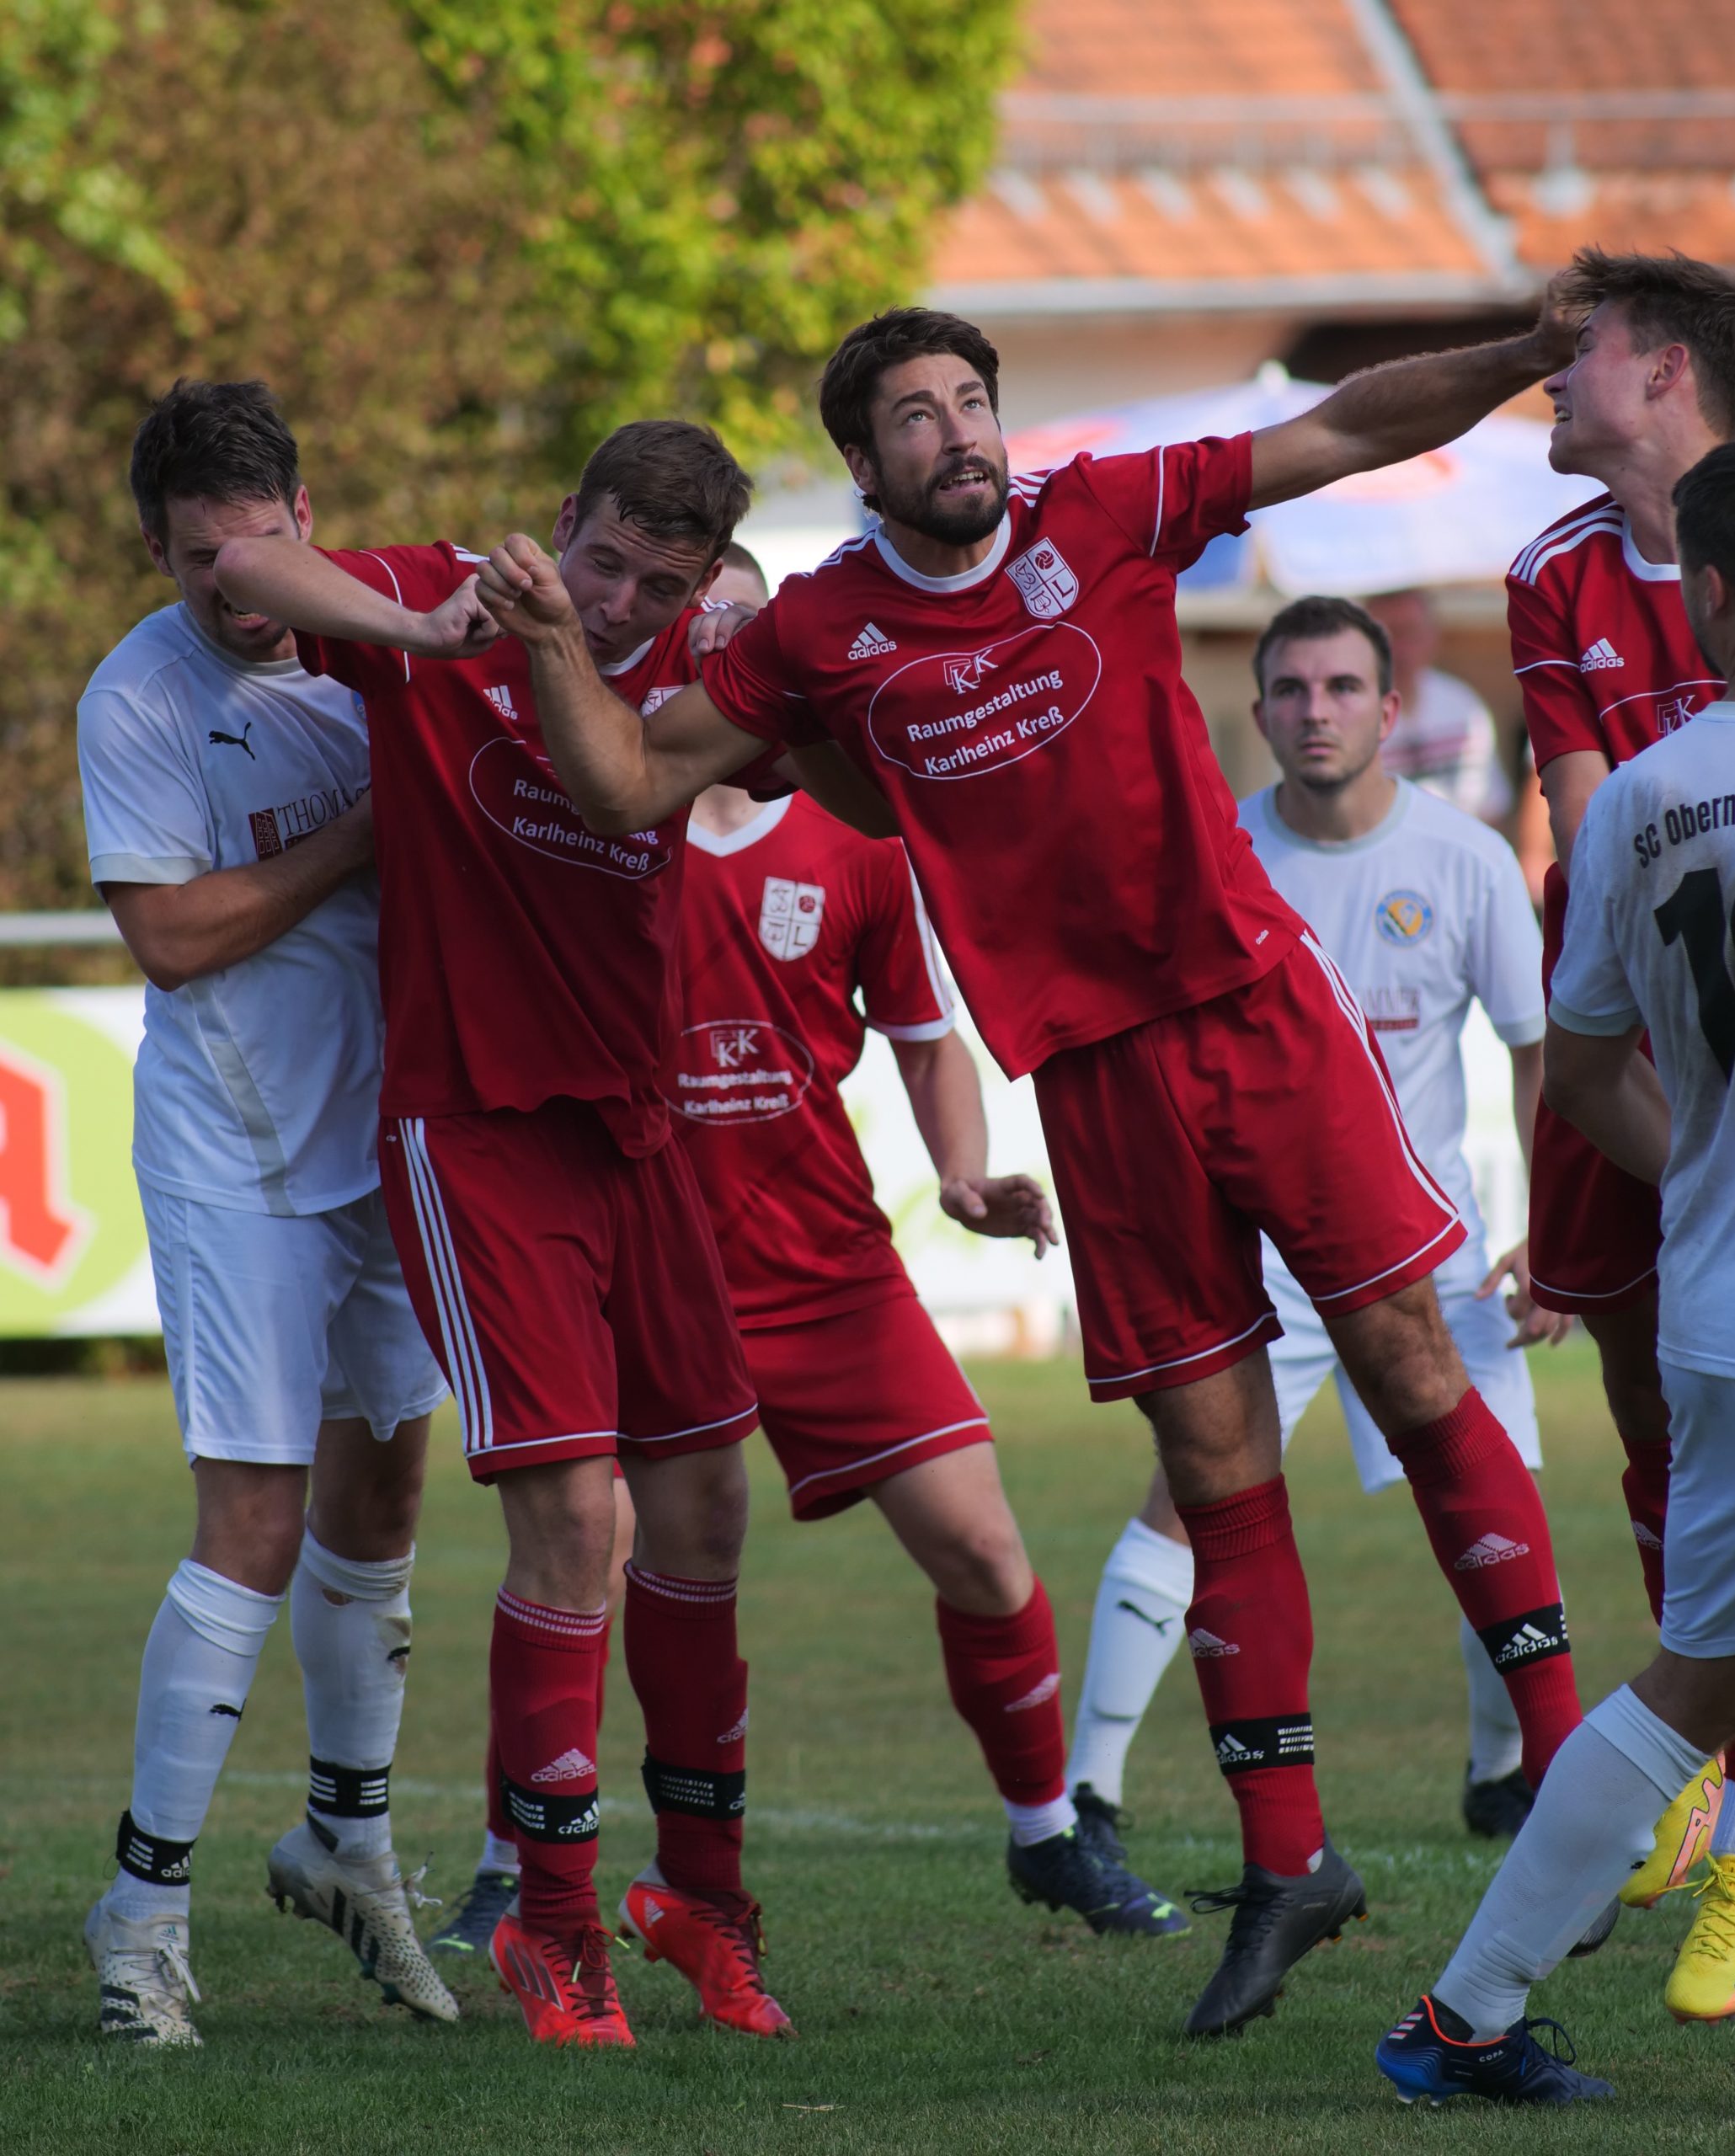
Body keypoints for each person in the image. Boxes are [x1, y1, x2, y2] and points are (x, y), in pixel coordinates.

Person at [469, 293, 1596, 2041]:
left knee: (1410, 1363)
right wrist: (554, 638)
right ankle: (1289, 1865)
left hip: (1254, 1009)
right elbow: (625, 783)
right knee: (1211, 1460)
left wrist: (1526, 347)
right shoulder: (822, 628)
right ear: (864, 466)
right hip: (1090, 1076)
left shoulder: (1110, 508)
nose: (957, 431)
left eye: (970, 399)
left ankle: (1571, 1772)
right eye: (914, 415)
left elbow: (1346, 426)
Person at [213, 424, 793, 2051]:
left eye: (657, 584)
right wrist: (424, 626)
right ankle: (550, 1923)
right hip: (476, 1130)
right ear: (561, 522)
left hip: (638, 1127)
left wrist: (772, 656)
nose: (614, 603)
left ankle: (701, 1900)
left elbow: (828, 777)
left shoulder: (695, 667)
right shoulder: (447, 604)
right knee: (574, 1525)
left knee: (707, 1510)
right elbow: (247, 562)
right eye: (601, 561)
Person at [1379, 434, 1735, 2106]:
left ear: (1706, 592)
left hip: (1725, 1319)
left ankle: (1463, 2017)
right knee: (1703, 1684)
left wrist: (1708, 1173)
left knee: (1697, 1685)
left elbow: (1580, 1072)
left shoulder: (1643, 796)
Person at [1063, 594, 1563, 1858]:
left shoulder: (1465, 859)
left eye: (1343, 688)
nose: (1316, 712)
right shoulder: (1219, 859)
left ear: (1392, 710)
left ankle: (1508, 1772)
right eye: (1291, 690)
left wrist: (1552, 1224)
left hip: (1430, 1256)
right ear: (1260, 711)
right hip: (1263, 1269)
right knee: (1189, 1502)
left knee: (1498, 1500)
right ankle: (1085, 1801)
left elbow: (1536, 1052)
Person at [76, 381, 455, 2047]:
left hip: (393, 1133)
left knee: (384, 1496)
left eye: (255, 548)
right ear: (155, 551)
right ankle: (142, 1909)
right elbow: (169, 938)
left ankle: (346, 1838)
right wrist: (370, 831)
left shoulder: (386, 643)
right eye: (196, 561)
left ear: (307, 518)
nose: (233, 588)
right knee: (253, 1516)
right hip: (235, 1149)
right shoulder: (140, 695)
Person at [1508, 248, 1735, 2006]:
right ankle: (1693, 1750)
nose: (1552, 378)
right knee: (1663, 1423)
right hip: (1623, 1040)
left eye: (1584, 350)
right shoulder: (1550, 574)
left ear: (1670, 369)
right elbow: (1586, 825)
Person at [1367, 588, 1513, 822]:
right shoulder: (1351, 713)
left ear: (1432, 636)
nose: (1400, 649)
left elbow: (1490, 807)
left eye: (1410, 633)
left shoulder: (1462, 705)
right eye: (1388, 635)